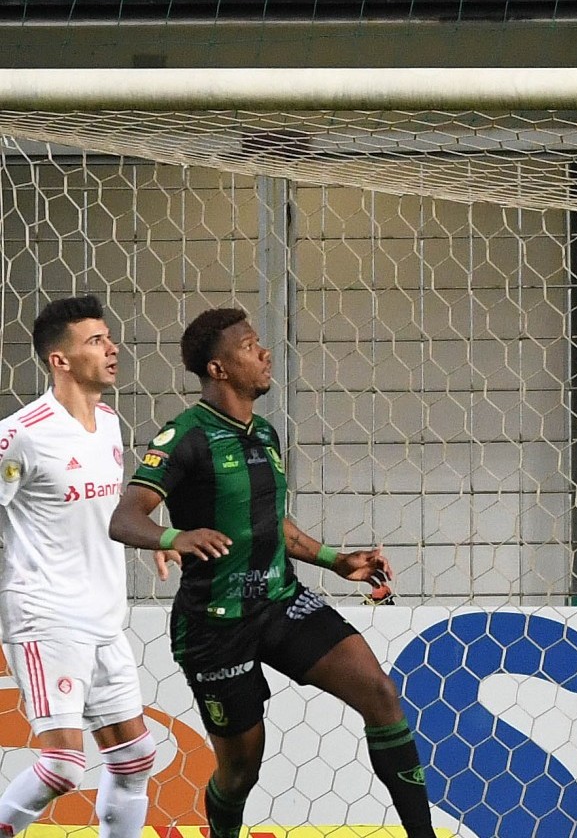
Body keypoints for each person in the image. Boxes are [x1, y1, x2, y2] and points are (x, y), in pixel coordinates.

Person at [106, 308, 436, 838]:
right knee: (241, 771)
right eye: (250, 345)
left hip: (282, 603)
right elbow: (125, 518)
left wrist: (338, 560)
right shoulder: (184, 436)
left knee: (379, 692)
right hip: (216, 626)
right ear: (218, 369)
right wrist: (175, 538)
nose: (264, 354)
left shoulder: (265, 433)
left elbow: (271, 523)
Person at [0, 297, 154, 838]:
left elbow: (110, 504)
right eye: (95, 340)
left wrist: (158, 537)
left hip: (103, 616)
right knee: (62, 766)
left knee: (135, 758)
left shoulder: (109, 422)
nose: (112, 348)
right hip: (46, 613)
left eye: (109, 337)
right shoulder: (21, 433)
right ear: (59, 360)